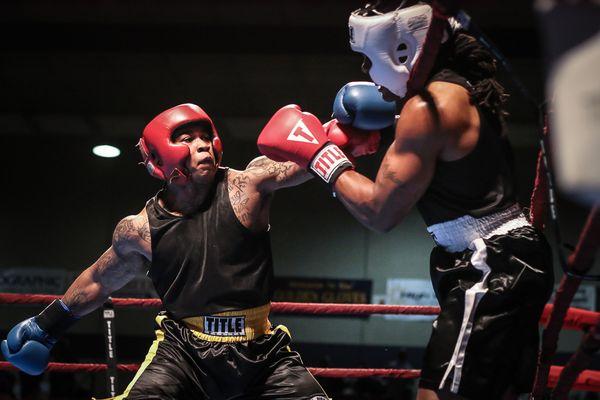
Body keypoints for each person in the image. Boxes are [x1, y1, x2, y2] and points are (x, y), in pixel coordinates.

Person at [257, 1, 555, 399]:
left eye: (367, 59)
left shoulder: (428, 107)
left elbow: (379, 212)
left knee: (435, 394)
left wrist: (318, 154)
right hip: (502, 261)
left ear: (400, 51)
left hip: (492, 265)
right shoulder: (455, 90)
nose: (365, 70)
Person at [1, 103, 342, 399]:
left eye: (205, 137)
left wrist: (348, 129)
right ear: (158, 157)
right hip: (184, 352)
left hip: (262, 351)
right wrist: (47, 325)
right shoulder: (139, 229)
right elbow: (98, 280)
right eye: (187, 139)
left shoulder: (247, 185)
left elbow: (308, 157)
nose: (203, 145)